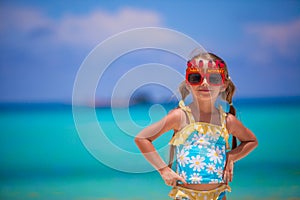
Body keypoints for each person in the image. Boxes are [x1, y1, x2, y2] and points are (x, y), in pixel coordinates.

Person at [135, 51, 258, 200]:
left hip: (218, 195)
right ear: (188, 83)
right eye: (196, 78)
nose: (204, 83)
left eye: (213, 78)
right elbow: (142, 138)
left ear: (224, 84)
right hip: (186, 195)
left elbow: (251, 141)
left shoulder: (227, 121)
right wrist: (163, 170)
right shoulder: (180, 117)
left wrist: (231, 156)